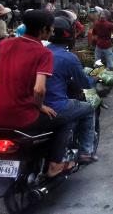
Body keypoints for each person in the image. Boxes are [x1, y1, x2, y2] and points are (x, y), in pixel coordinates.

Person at [0, 10, 73, 177]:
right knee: (65, 120)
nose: (52, 31)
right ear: (43, 29)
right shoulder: (43, 53)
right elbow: (39, 89)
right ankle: (55, 165)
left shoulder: (5, 44)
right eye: (51, 28)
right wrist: (40, 105)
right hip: (22, 116)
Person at [45, 17, 98, 164]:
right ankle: (85, 152)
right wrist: (96, 78)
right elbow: (85, 83)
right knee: (88, 108)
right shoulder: (69, 58)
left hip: (36, 104)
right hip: (55, 105)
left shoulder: (41, 51)